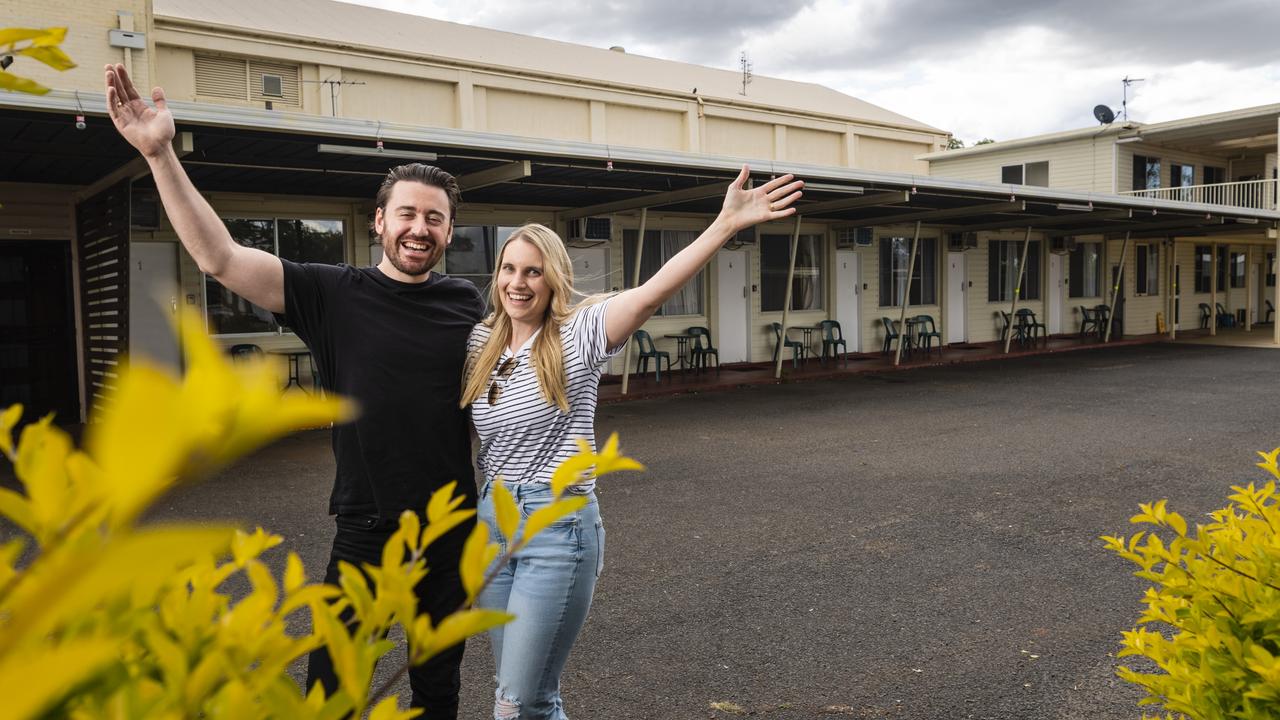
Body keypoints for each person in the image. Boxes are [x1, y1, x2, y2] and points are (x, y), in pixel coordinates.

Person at [104, 63, 482, 717]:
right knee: (333, 693)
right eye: (407, 215)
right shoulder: (331, 292)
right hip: (367, 526)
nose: (419, 228)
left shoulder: (467, 301)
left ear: (449, 232)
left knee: (437, 691)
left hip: (451, 528)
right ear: (379, 222)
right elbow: (218, 258)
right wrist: (161, 154)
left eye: (435, 218)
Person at [461, 167, 803, 719]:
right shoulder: (482, 339)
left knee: (518, 702)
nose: (517, 283)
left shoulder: (578, 332)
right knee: (517, 694)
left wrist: (723, 226)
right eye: (508, 269)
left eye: (533, 272)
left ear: (555, 279)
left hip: (557, 527)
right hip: (492, 526)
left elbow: (650, 293)